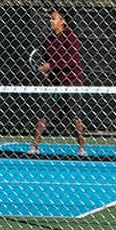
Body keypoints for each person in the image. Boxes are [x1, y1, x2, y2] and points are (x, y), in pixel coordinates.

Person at [30, 9, 86, 157]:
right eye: (50, 19)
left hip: (72, 84)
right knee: (43, 115)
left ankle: (81, 149)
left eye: (54, 19)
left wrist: (51, 66)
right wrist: (46, 69)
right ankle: (34, 147)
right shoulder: (48, 41)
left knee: (75, 117)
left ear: (62, 21)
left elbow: (73, 60)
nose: (51, 21)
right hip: (56, 85)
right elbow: (47, 63)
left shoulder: (71, 38)